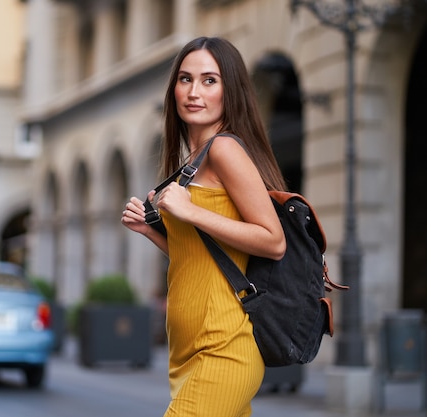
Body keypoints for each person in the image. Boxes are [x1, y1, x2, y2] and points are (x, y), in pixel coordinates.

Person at [121, 36, 287, 417]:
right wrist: (152, 230)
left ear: (231, 91)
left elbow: (273, 241)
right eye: (185, 79)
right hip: (187, 353)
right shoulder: (193, 161)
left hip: (223, 346)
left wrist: (190, 212)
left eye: (209, 81)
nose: (194, 92)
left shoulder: (226, 149)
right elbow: (202, 258)